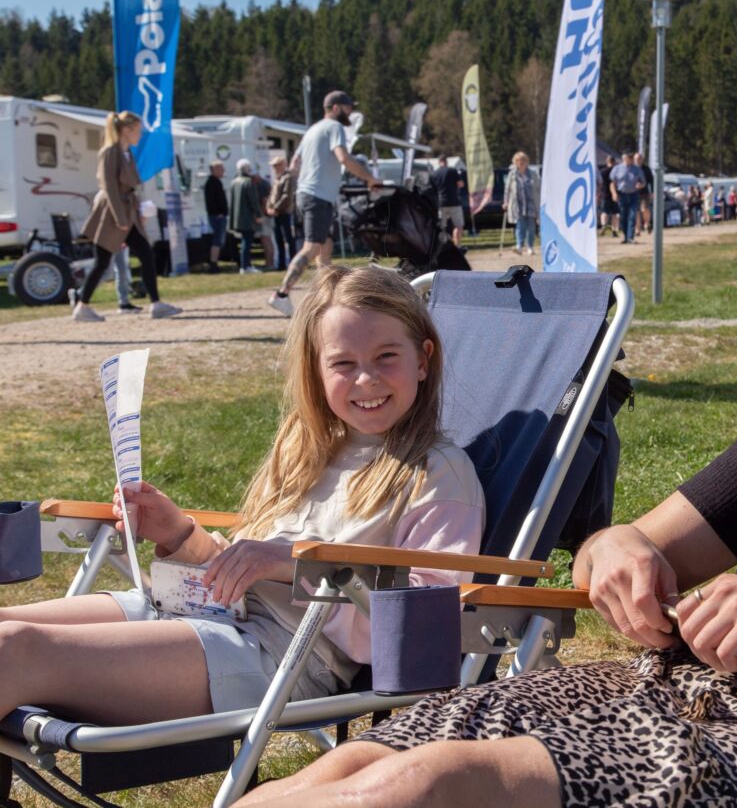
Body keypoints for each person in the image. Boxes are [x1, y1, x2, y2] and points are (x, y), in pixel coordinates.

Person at [237, 118, 737, 808]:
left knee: (433, 783)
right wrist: (616, 550)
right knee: (357, 763)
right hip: (692, 690)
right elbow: (634, 543)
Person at [0, 265, 485, 728]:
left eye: (386, 357)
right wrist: (180, 534)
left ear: (423, 359)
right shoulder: (308, 448)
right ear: (315, 371)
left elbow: (424, 627)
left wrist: (295, 564)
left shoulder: (437, 475)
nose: (366, 379)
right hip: (203, 608)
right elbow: (241, 568)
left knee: (14, 651)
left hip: (282, 653)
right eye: (343, 363)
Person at [268, 91, 381, 318]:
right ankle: (281, 295)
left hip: (309, 194)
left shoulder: (312, 130)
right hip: (318, 196)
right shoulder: (334, 128)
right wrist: (369, 179)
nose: (350, 112)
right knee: (311, 247)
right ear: (336, 107)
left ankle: (324, 299)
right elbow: (343, 158)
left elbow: (295, 163)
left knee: (325, 247)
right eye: (348, 108)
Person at [70, 111, 181, 321]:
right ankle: (82, 306)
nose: (140, 134)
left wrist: (136, 213)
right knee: (102, 262)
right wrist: (120, 218)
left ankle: (156, 304)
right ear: (127, 130)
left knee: (145, 255)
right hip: (112, 214)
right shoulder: (110, 152)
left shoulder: (126, 152)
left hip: (127, 212)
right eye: (138, 130)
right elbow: (110, 187)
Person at [502, 151, 540, 256]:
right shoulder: (512, 174)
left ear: (527, 162)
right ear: (515, 162)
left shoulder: (533, 174)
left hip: (531, 204)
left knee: (531, 226)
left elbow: (538, 188)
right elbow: (507, 190)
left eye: (523, 160)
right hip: (518, 205)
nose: (521, 162)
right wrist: (505, 202)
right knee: (520, 226)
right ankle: (519, 246)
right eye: (518, 160)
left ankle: (530, 247)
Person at [229, 158, 263, 274]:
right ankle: (245, 266)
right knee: (247, 242)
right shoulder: (248, 182)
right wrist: (258, 214)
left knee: (244, 241)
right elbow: (253, 201)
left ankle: (245, 265)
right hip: (248, 218)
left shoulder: (234, 182)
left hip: (237, 218)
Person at [429, 153, 465, 248]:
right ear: (446, 161)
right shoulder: (452, 171)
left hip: (441, 203)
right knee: (458, 226)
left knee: (442, 228)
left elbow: (433, 190)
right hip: (454, 202)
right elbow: (460, 184)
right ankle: (457, 246)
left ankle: (442, 247)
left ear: (439, 162)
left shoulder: (433, 174)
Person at [267, 154, 296, 271]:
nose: (274, 168)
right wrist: (268, 207)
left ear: (282, 165)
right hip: (276, 213)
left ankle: (293, 263)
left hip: (284, 213)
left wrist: (276, 208)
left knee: (288, 238)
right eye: (274, 166)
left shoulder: (287, 178)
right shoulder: (277, 178)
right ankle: (281, 263)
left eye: (276, 165)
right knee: (278, 239)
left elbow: (286, 196)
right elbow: (271, 196)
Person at [609, 152, 645, 244]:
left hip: (633, 195)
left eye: (632, 157)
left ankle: (630, 237)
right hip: (622, 195)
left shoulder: (637, 169)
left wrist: (640, 185)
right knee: (623, 216)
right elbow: (612, 183)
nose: (632, 159)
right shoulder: (617, 169)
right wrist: (614, 193)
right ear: (624, 158)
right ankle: (625, 236)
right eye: (630, 157)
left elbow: (643, 182)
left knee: (632, 216)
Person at [204, 161, 229, 273]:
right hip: (217, 216)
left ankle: (214, 261)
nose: (223, 171)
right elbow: (211, 201)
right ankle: (213, 263)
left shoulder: (217, 182)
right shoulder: (211, 183)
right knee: (217, 239)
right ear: (214, 170)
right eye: (221, 169)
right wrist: (218, 213)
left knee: (219, 240)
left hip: (219, 215)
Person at [598, 155, 619, 237]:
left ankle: (604, 226)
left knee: (604, 212)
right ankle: (614, 230)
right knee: (615, 213)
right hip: (615, 195)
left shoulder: (602, 171)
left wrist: (599, 193)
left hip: (605, 194)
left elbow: (599, 183)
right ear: (614, 162)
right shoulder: (616, 171)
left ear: (607, 162)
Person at [635, 152, 654, 235]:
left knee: (644, 209)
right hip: (634, 193)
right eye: (636, 159)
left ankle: (647, 223)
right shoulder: (632, 168)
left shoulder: (646, 169)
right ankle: (637, 229)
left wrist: (653, 192)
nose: (638, 160)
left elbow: (651, 181)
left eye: (639, 159)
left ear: (642, 159)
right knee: (636, 211)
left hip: (644, 193)